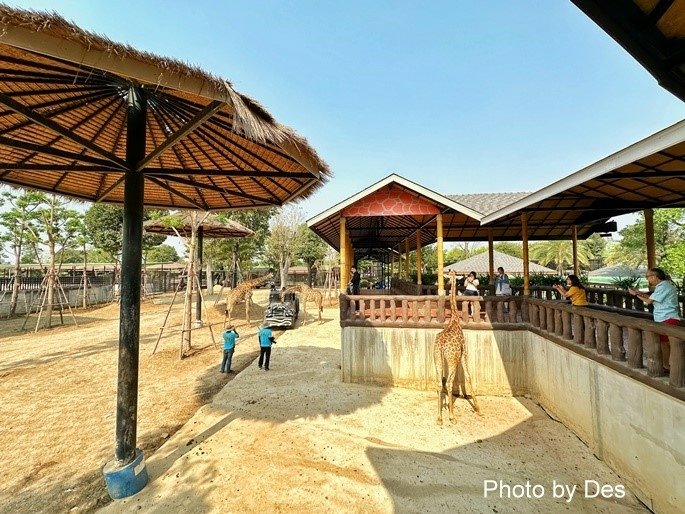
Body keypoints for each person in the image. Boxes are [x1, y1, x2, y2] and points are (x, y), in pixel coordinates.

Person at [629, 267, 681, 373]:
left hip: (667, 317)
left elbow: (649, 301)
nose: (647, 279)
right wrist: (639, 292)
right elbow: (652, 298)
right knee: (665, 343)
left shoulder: (664, 286)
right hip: (665, 317)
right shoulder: (663, 286)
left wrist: (636, 294)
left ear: (655, 277)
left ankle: (670, 366)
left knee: (667, 344)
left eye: (648, 276)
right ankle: (668, 365)